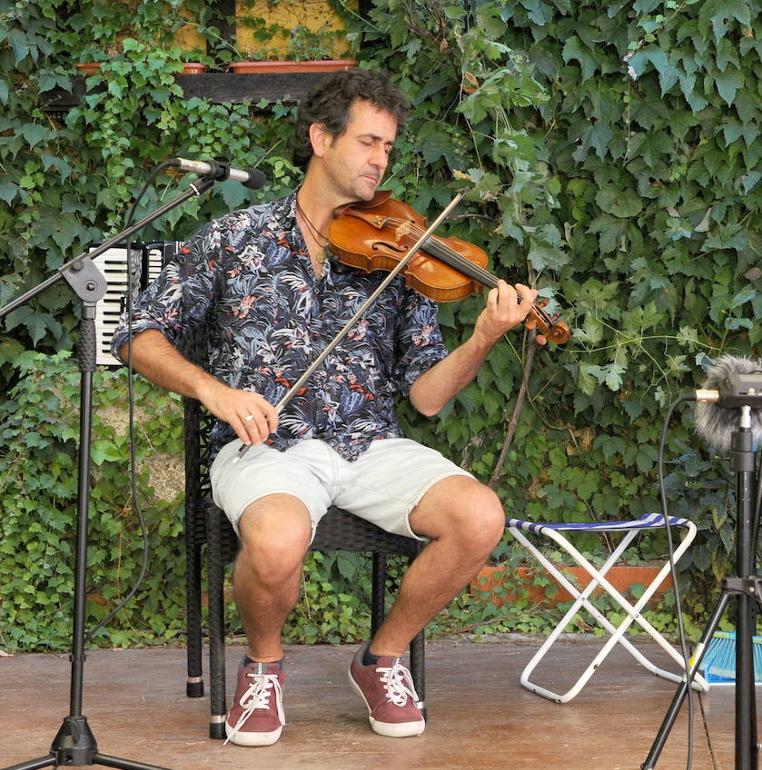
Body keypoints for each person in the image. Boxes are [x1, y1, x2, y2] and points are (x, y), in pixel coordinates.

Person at [115, 69, 540, 746]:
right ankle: (263, 666)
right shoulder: (235, 237)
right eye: (370, 142)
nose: (381, 160)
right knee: (278, 541)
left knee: (479, 516)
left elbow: (427, 396)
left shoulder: (402, 254)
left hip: (370, 443)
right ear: (320, 137)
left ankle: (382, 658)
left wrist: (485, 337)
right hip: (268, 446)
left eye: (389, 148)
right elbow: (137, 333)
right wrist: (213, 390)